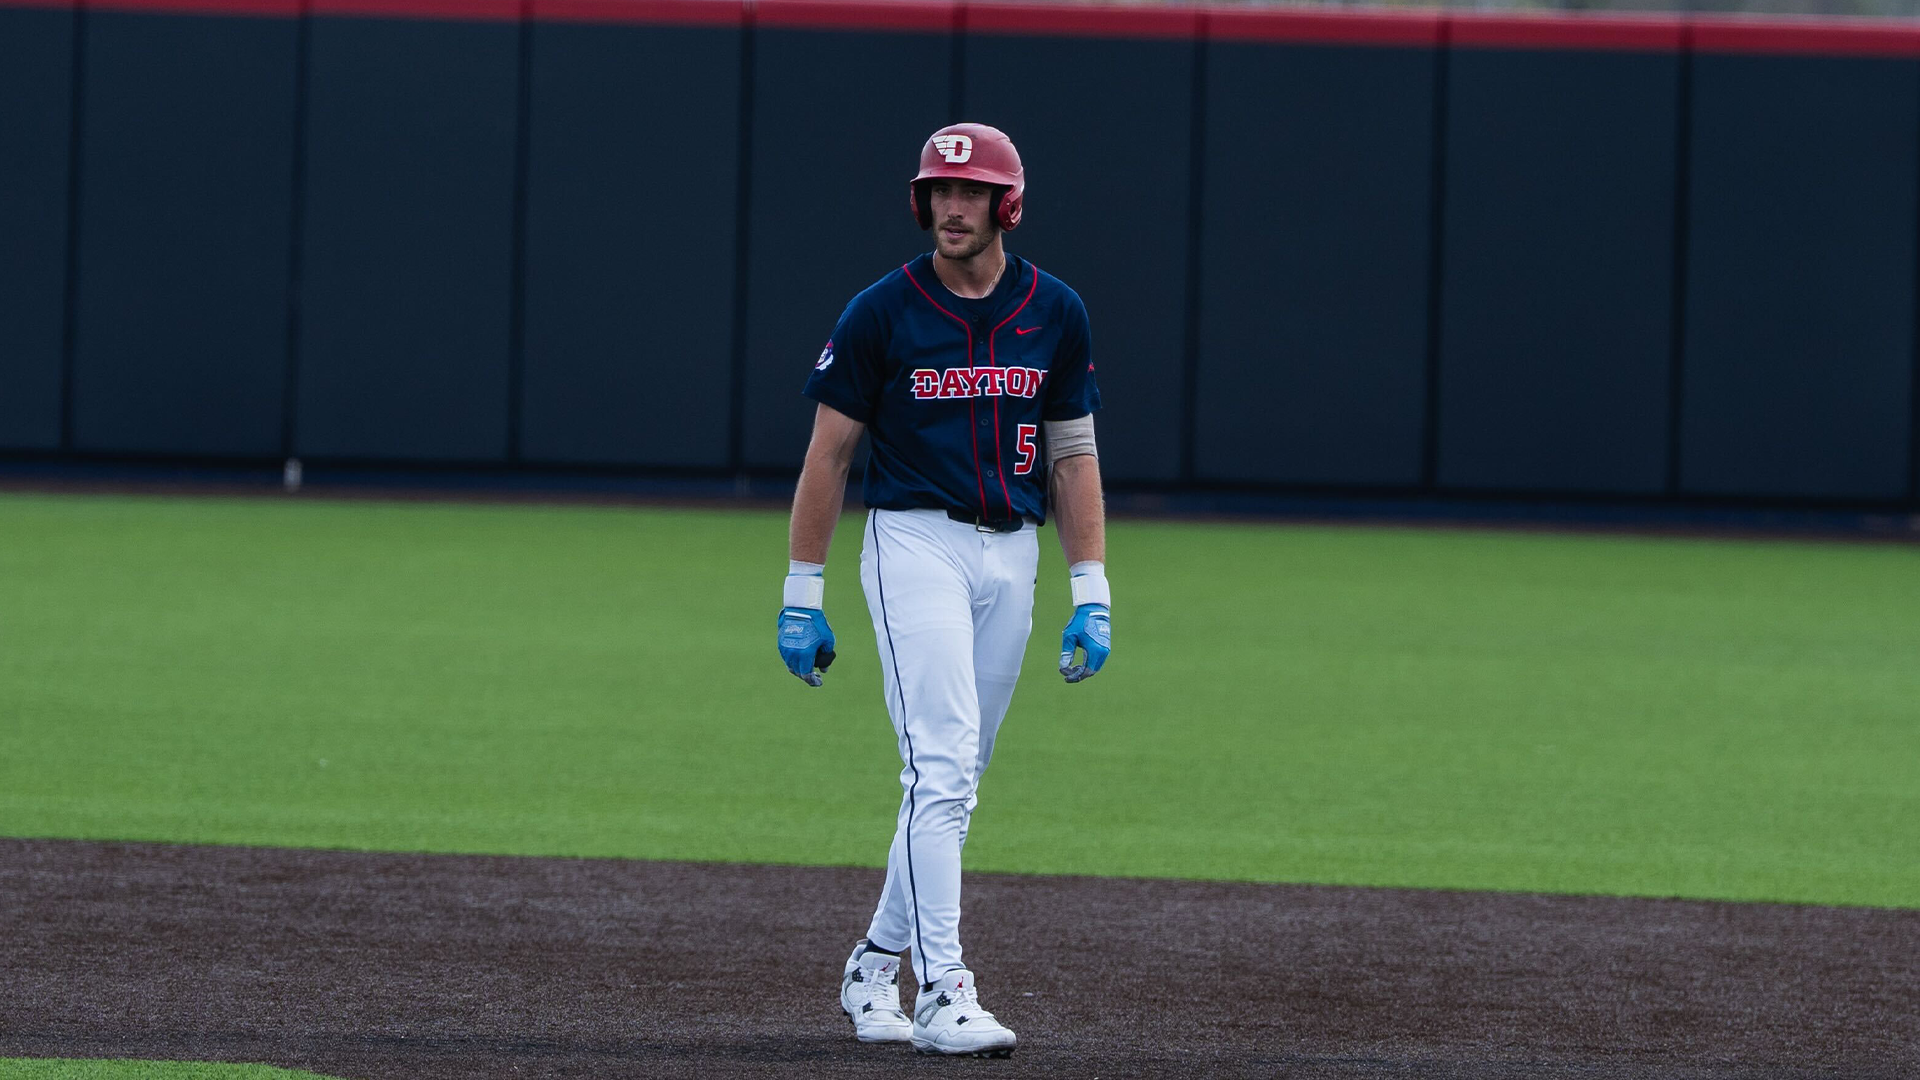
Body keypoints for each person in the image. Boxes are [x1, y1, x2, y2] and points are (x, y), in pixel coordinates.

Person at [776, 122, 1111, 1059]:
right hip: (913, 543)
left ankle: (874, 966)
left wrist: (1095, 589)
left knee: (953, 782)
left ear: (1008, 204)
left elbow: (1074, 455)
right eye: (937, 191)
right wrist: (803, 591)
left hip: (1015, 554)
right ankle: (945, 992)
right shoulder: (883, 310)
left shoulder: (1058, 310)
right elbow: (828, 457)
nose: (950, 207)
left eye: (969, 193)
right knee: (942, 764)